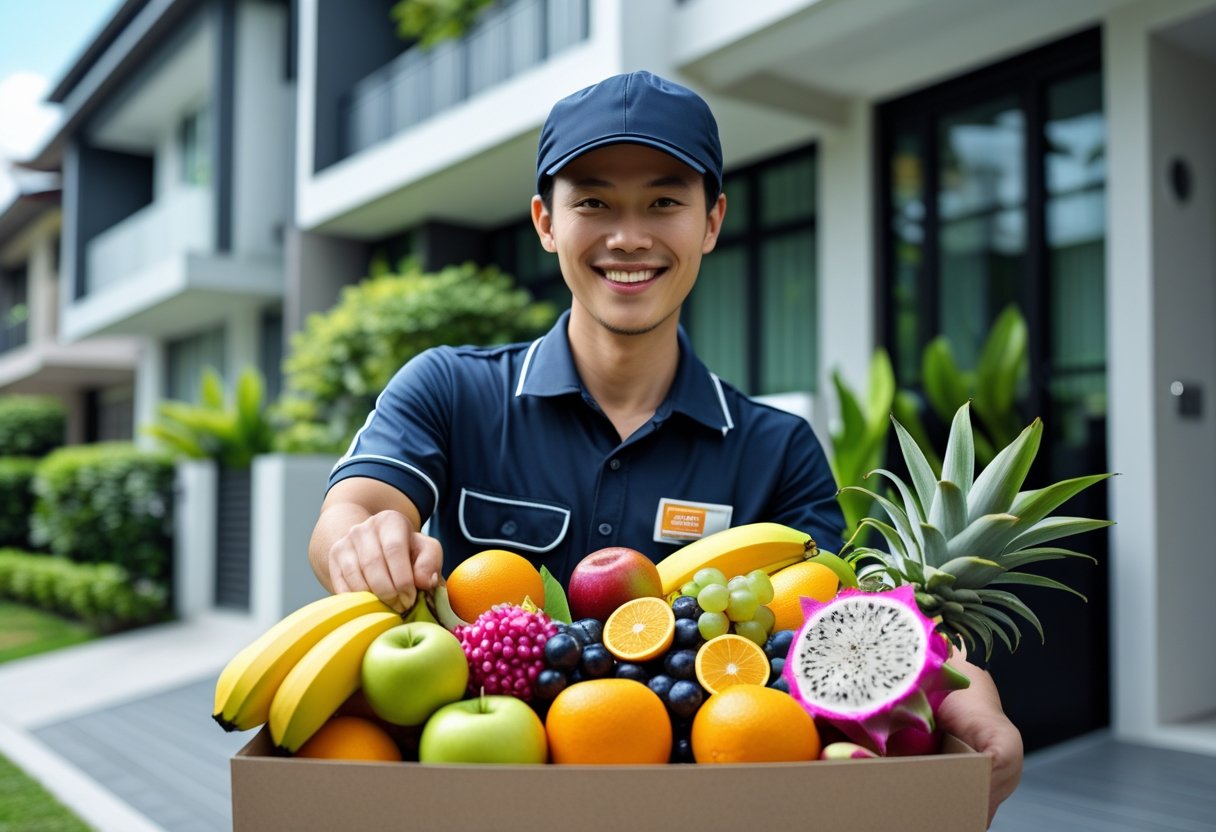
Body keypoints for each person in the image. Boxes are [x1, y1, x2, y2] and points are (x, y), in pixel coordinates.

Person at [308, 70, 1021, 825]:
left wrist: (970, 691)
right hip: (477, 798)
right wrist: (363, 543)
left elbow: (843, 621)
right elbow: (355, 508)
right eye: (592, 202)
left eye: (664, 201)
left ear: (711, 222)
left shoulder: (776, 448)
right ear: (545, 222)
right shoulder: (451, 389)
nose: (628, 236)